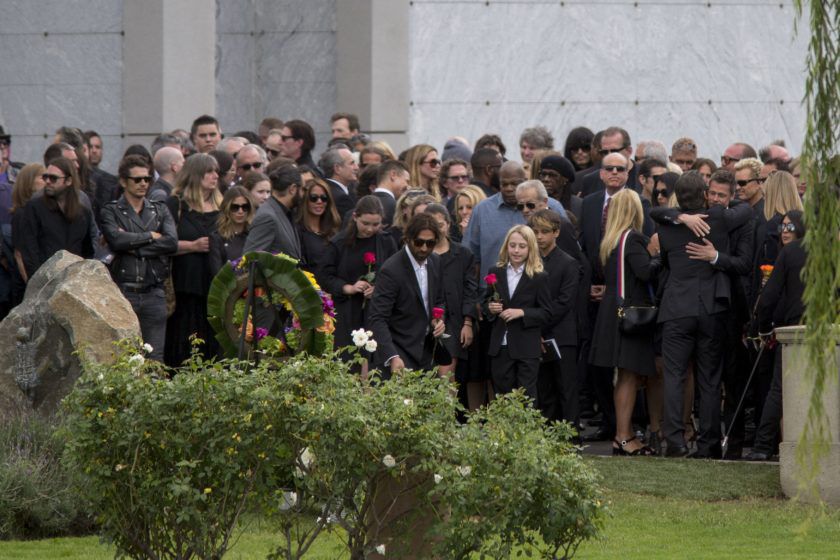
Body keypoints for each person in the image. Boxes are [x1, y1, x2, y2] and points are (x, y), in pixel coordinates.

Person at [655, 171, 753, 458]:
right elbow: (746, 209)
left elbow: (655, 211)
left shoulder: (666, 225)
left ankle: (675, 441)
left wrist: (679, 217)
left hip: (676, 308)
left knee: (674, 376)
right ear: (705, 194)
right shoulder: (718, 219)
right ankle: (709, 444)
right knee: (710, 378)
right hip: (711, 307)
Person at [588, 190, 658, 455]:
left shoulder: (610, 241)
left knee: (624, 378)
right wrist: (658, 255)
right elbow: (644, 272)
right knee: (627, 377)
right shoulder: (634, 239)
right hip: (630, 317)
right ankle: (624, 436)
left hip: (611, 313)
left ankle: (623, 435)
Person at [101, 155, 178, 362]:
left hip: (154, 291)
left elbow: (171, 243)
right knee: (124, 357)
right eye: (137, 179)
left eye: (147, 179)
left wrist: (133, 246)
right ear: (123, 181)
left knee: (155, 358)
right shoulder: (111, 210)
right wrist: (150, 236)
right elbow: (116, 241)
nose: (143, 183)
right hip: (124, 291)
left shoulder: (160, 209)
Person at [745, 210, 806, 461]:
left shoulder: (791, 252)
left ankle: (762, 446)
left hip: (795, 330)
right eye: (783, 225)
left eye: (791, 225)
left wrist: (763, 328)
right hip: (826, 329)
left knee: (778, 389)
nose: (785, 230)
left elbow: (768, 296)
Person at [367, 213, 446, 376]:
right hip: (399, 351)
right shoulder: (391, 270)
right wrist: (392, 356)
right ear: (408, 238)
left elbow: (439, 300)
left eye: (430, 243)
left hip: (426, 351)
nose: (424, 248)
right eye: (419, 242)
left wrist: (439, 320)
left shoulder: (435, 262)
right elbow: (377, 317)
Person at [164, 153, 222, 366]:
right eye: (209, 171)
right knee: (185, 341)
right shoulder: (176, 204)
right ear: (196, 174)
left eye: (216, 171)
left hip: (214, 284)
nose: (215, 176)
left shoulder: (222, 205)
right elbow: (162, 244)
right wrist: (192, 246)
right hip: (185, 286)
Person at [484, 224, 552, 405]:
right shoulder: (495, 272)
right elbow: (485, 303)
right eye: (512, 245)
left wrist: (522, 312)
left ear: (530, 248)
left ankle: (527, 433)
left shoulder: (539, 276)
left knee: (526, 397)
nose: (516, 250)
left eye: (522, 246)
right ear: (506, 246)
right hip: (501, 344)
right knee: (502, 395)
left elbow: (546, 312)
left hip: (526, 346)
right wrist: (490, 308)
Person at [323, 195, 397, 353]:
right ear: (355, 217)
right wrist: (347, 288)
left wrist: (378, 288)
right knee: (348, 357)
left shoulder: (386, 241)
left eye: (376, 224)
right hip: (347, 311)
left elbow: (395, 275)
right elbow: (325, 277)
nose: (370, 229)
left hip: (377, 311)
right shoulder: (338, 243)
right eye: (365, 223)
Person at [528, 209, 581, 427]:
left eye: (545, 232)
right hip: (537, 335)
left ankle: (571, 437)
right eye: (535, 231)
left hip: (562, 335)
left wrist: (539, 326)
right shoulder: (531, 261)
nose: (539, 236)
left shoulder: (568, 263)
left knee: (566, 388)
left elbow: (564, 302)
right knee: (543, 388)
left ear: (556, 233)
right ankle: (548, 437)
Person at [424, 203, 478, 385]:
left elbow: (471, 290)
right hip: (426, 322)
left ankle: (446, 413)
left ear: (447, 224)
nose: (437, 230)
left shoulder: (463, 254)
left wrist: (468, 322)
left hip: (454, 323)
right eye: (431, 226)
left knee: (446, 377)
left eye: (440, 225)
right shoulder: (421, 254)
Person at [17, 157, 95, 280]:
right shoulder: (34, 208)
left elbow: (87, 250)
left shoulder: (83, 213)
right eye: (45, 177)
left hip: (74, 282)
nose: (47, 181)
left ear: (69, 180)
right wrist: (40, 282)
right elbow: (29, 251)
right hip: (44, 282)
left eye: (53, 178)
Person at [243, 164, 302, 259]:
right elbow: (251, 260)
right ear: (293, 189)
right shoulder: (267, 217)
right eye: (302, 189)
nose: (303, 194)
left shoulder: (286, 212)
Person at [8, 163, 45, 303]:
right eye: (43, 177)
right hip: (26, 287)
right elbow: (19, 255)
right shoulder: (21, 214)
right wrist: (33, 286)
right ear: (29, 182)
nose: (47, 181)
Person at [296, 177, 342, 285]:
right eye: (313, 198)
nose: (319, 201)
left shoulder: (334, 229)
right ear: (305, 200)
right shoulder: (298, 231)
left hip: (334, 290)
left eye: (324, 198)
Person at [209, 186, 255, 276]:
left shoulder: (254, 235)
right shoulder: (217, 238)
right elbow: (217, 274)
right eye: (235, 207)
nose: (240, 211)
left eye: (245, 207)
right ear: (227, 208)